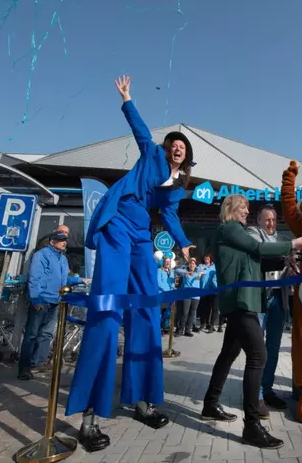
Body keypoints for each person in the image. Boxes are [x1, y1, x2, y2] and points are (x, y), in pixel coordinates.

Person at [65, 75, 196, 453]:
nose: (177, 148)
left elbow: (169, 220)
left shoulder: (177, 185)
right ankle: (88, 419)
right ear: (167, 147)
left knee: (148, 316)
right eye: (174, 143)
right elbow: (140, 130)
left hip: (142, 234)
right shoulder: (152, 154)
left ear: (186, 156)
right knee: (107, 315)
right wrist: (127, 100)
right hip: (119, 221)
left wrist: (186, 245)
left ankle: (141, 401)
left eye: (183, 147)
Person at [201, 194, 302, 449]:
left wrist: (286, 260)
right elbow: (258, 249)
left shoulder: (235, 234)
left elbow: (255, 260)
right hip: (239, 303)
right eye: (243, 207)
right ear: (231, 209)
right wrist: (290, 245)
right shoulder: (230, 229)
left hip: (241, 302)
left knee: (229, 353)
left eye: (247, 208)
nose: (247, 211)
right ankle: (251, 425)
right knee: (258, 355)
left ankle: (210, 404)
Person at [18, 230, 90, 380]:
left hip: (56, 300)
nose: (64, 242)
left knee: (46, 334)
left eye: (65, 240)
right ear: (52, 242)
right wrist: (36, 299)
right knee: (31, 335)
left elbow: (64, 280)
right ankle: (24, 368)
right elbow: (34, 278)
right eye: (61, 239)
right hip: (42, 299)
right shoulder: (41, 255)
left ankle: (38, 362)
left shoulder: (62, 259)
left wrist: (80, 280)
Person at [247, 204, 294, 417]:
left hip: (279, 297)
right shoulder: (253, 234)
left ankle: (268, 389)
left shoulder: (284, 240)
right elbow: (262, 252)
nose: (271, 223)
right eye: (267, 220)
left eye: (274, 219)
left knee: (273, 346)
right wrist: (286, 253)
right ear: (259, 220)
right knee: (257, 348)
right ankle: (255, 396)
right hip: (260, 298)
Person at [175, 258, 204, 336]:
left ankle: (188, 330)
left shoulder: (198, 271)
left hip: (196, 296)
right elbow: (176, 270)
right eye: (190, 263)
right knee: (185, 312)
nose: (192, 265)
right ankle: (181, 329)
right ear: (188, 264)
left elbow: (205, 271)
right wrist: (186, 272)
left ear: (195, 265)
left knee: (192, 313)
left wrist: (200, 273)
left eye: (193, 263)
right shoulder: (184, 271)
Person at [197, 254, 219, 333]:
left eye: (208, 258)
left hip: (213, 290)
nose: (206, 259)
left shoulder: (214, 266)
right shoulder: (201, 266)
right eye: (205, 258)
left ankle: (211, 325)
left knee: (213, 308)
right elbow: (197, 272)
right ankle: (203, 323)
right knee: (204, 308)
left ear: (210, 259)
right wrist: (200, 272)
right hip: (204, 290)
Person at [158, 256, 176, 333]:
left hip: (169, 294)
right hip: (162, 293)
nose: (168, 262)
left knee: (167, 312)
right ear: (163, 262)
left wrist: (172, 288)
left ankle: (165, 328)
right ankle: (158, 328)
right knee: (161, 312)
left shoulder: (172, 271)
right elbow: (158, 282)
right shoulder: (159, 270)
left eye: (169, 261)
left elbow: (172, 282)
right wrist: (166, 290)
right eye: (166, 261)